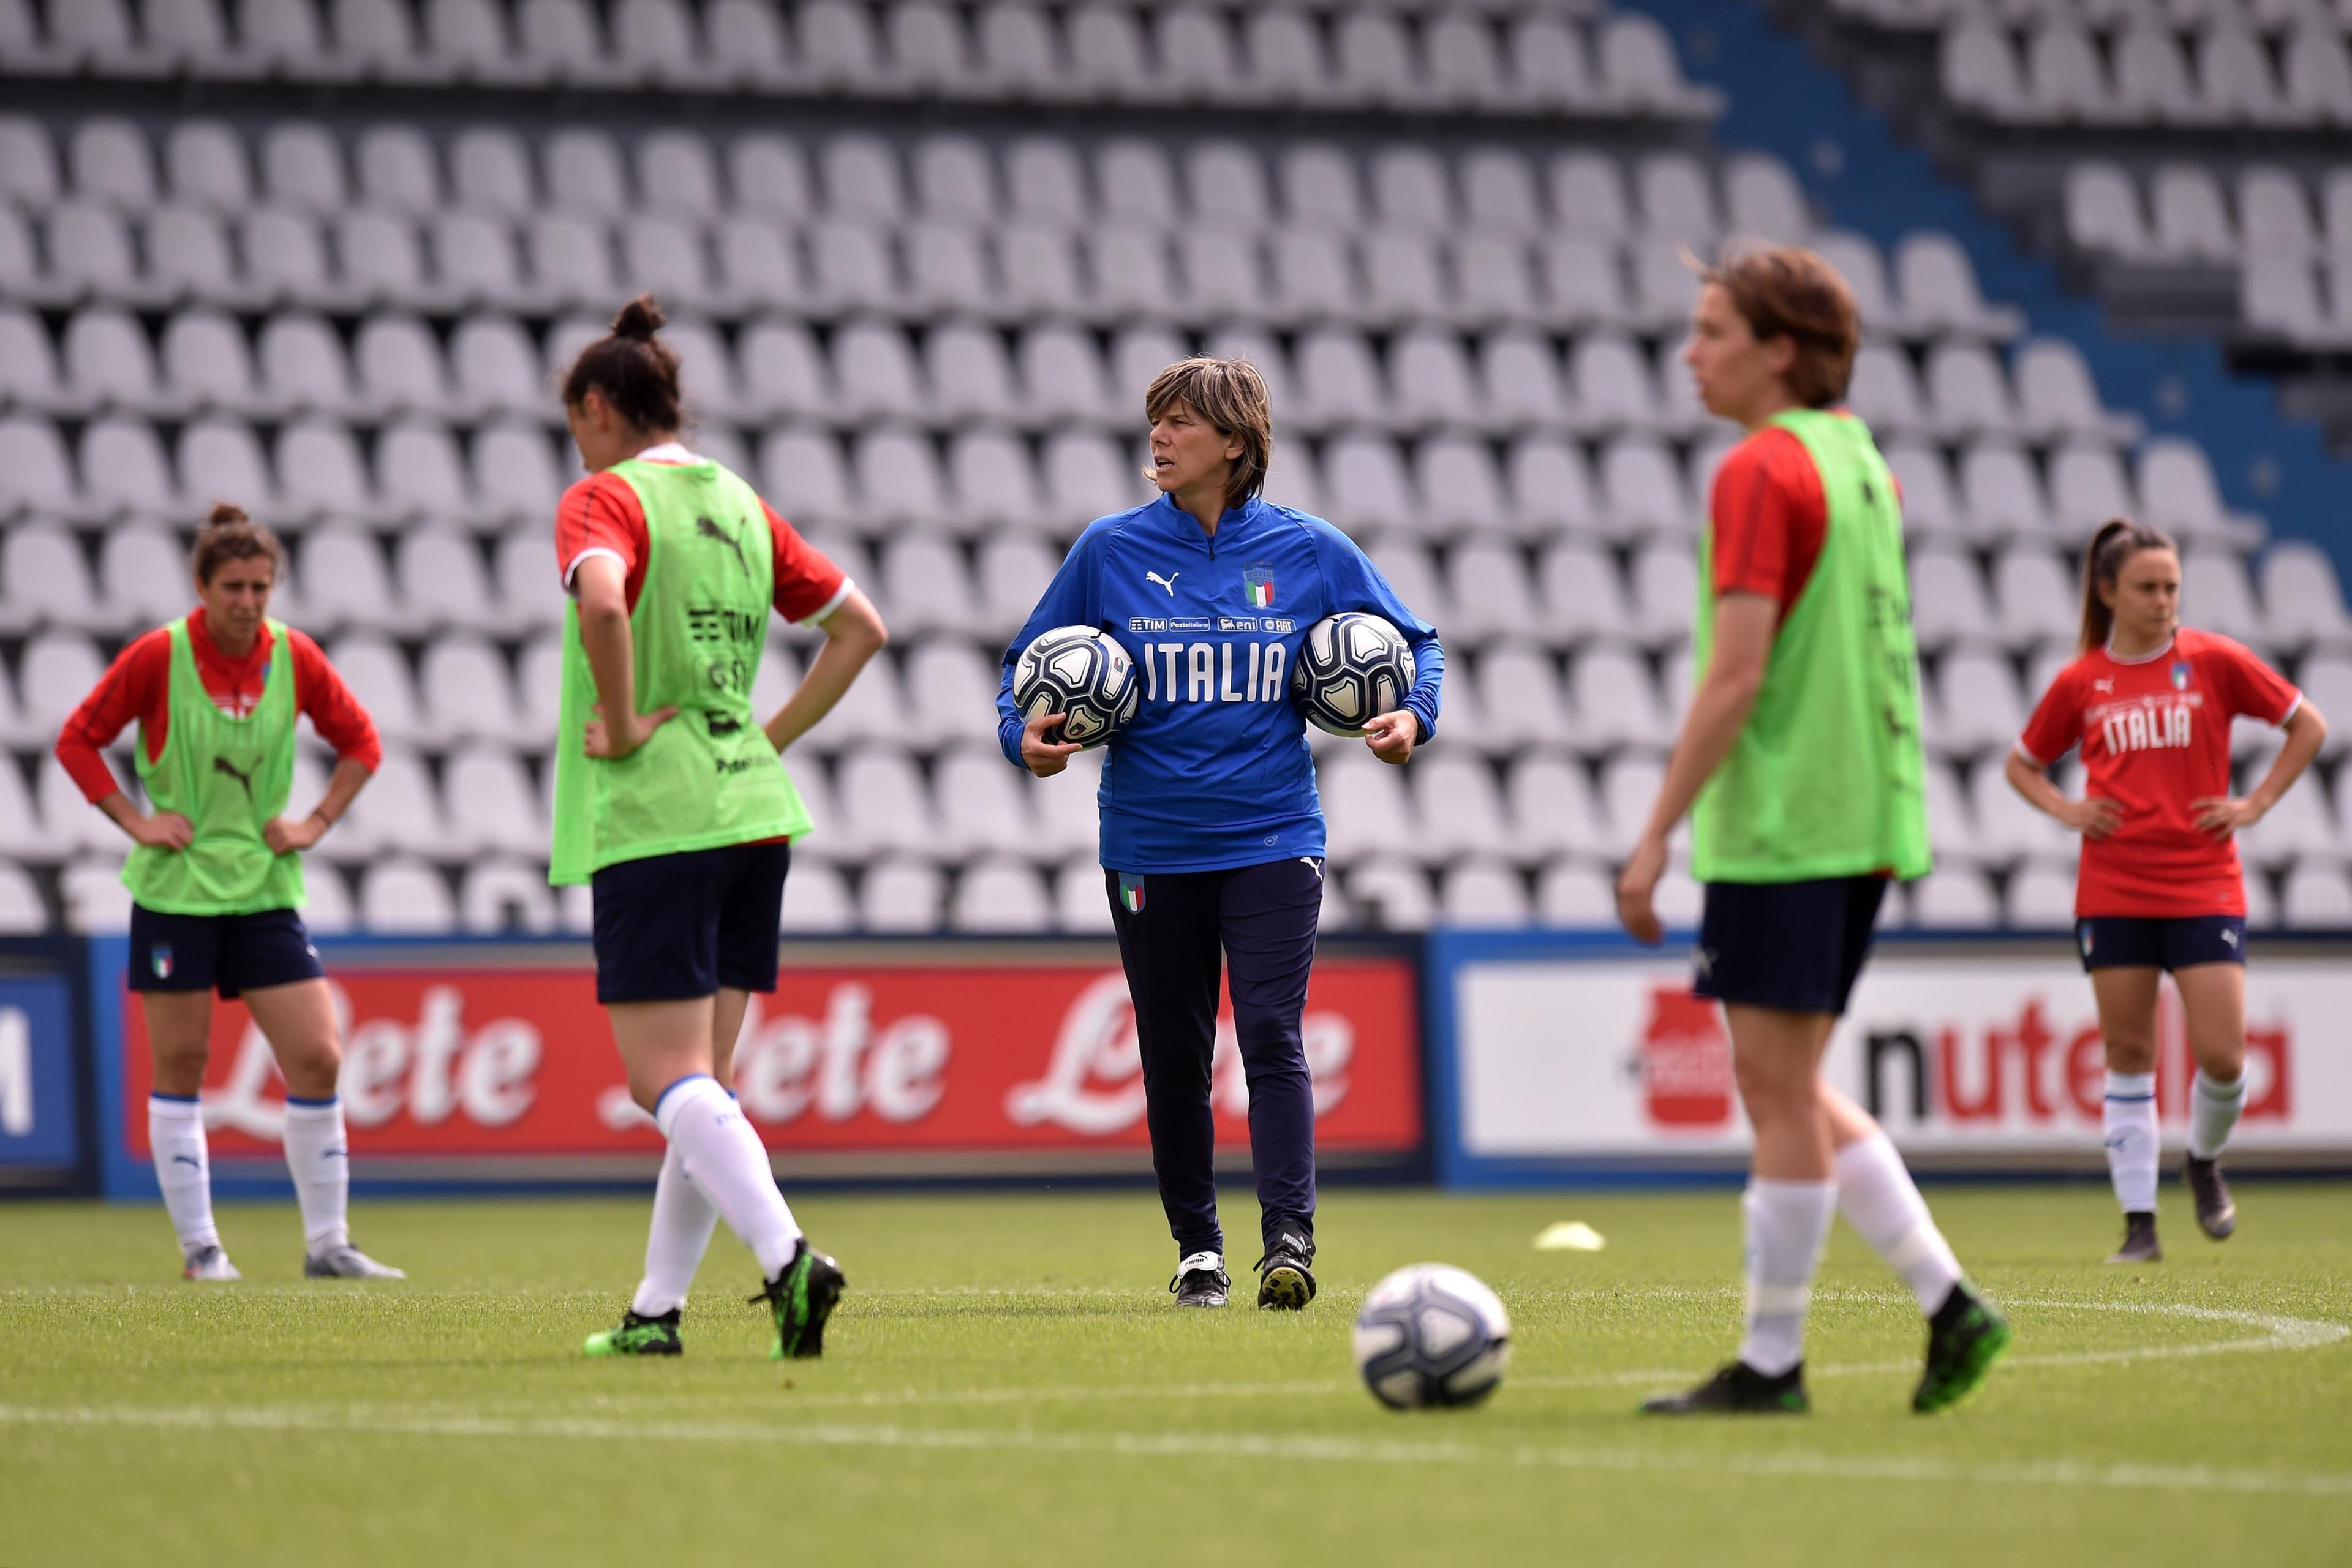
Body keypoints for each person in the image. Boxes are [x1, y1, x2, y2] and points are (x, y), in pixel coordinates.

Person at [1615, 246, 2008, 1415]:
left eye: (1713, 330)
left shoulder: (1760, 469)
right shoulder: (1862, 463)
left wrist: (1652, 840)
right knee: (1786, 1079)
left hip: (1789, 819)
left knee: (1777, 1091)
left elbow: (1736, 677)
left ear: (1780, 349)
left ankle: (1775, 1365)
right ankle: (1948, 1306)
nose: (1692, 352)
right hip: (1869, 808)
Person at [1000, 356, 1442, 1310]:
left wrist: (1414, 717)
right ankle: (1198, 1248)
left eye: (1180, 424)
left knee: (1275, 1033)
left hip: (1274, 835)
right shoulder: (1108, 551)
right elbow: (1023, 666)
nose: (1158, 438)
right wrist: (1021, 735)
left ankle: (1289, 1240)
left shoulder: (1311, 549)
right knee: (1173, 1048)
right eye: (1155, 422)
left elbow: (1420, 643)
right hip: (1151, 842)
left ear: (1235, 445)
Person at [549, 295, 888, 1359]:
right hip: (751, 808)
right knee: (709, 1089)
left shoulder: (604, 499)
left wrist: (624, 711)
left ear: (599, 408)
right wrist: (766, 736)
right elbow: (860, 628)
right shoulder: (740, 503)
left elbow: (603, 604)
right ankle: (656, 1313)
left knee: (665, 1082)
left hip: (660, 816)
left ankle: (790, 1262)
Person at [55, 503, 401, 1282]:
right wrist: (134, 821)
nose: (248, 602)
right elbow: (77, 739)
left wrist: (316, 820)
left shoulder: (295, 657)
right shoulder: (159, 656)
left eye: (261, 587)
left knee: (318, 1056)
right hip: (178, 892)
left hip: (264, 890)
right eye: (234, 587)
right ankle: (202, 1249)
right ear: (201, 587)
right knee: (183, 1062)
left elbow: (362, 743)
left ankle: (328, 1244)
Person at [2007, 521, 2324, 1263]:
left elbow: (2307, 725)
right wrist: (2066, 809)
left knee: (2222, 1056)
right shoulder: (2082, 680)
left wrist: (2255, 804)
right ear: (2108, 591)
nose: (2163, 602)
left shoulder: (2213, 660)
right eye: (2148, 588)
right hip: (2113, 885)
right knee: (2128, 1052)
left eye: (2172, 587)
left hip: (2204, 883)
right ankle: (2139, 1224)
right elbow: (2022, 763)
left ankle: (2203, 1159)